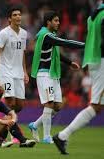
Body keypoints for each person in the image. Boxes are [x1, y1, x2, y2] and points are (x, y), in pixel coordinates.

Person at [53, 0, 104, 155]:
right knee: (96, 105)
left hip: (95, 60)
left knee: (98, 106)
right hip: (102, 61)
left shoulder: (94, 15)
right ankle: (63, 135)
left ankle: (63, 136)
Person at [28, 11, 85, 144]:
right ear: (48, 22)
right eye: (55, 21)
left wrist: (69, 63)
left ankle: (35, 125)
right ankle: (47, 137)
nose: (58, 23)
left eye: (58, 21)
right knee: (49, 104)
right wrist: (84, 45)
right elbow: (66, 43)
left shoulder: (50, 36)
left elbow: (56, 53)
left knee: (57, 106)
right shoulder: (46, 35)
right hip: (44, 74)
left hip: (52, 74)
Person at [0, 6, 29, 113]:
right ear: (9, 19)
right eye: (15, 15)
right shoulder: (4, 33)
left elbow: (22, 53)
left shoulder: (24, 33)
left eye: (19, 14)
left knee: (19, 105)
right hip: (5, 71)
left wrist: (25, 72)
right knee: (10, 102)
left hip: (19, 72)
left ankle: (1, 119)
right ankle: (6, 125)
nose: (18, 17)